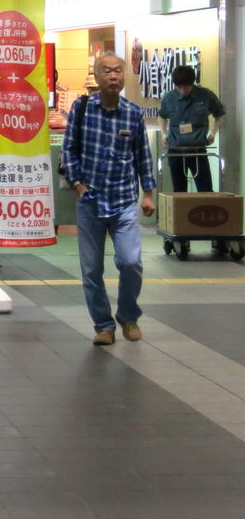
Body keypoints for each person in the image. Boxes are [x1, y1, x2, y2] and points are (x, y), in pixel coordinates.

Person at [61, 53, 156, 347]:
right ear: (97, 77)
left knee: (130, 262)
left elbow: (142, 155)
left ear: (124, 76)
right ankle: (103, 326)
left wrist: (149, 192)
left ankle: (128, 317)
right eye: (107, 71)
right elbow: (69, 149)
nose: (113, 76)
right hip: (90, 201)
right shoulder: (82, 108)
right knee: (91, 270)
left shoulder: (132, 112)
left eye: (118, 71)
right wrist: (77, 184)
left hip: (124, 200)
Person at [159, 64, 226, 193]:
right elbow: (162, 116)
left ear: (192, 83)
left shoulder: (206, 95)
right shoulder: (169, 98)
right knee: (179, 191)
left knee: (205, 189)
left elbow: (219, 113)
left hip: (198, 150)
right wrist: (163, 133)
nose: (183, 90)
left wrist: (213, 132)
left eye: (186, 87)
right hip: (176, 150)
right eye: (179, 87)